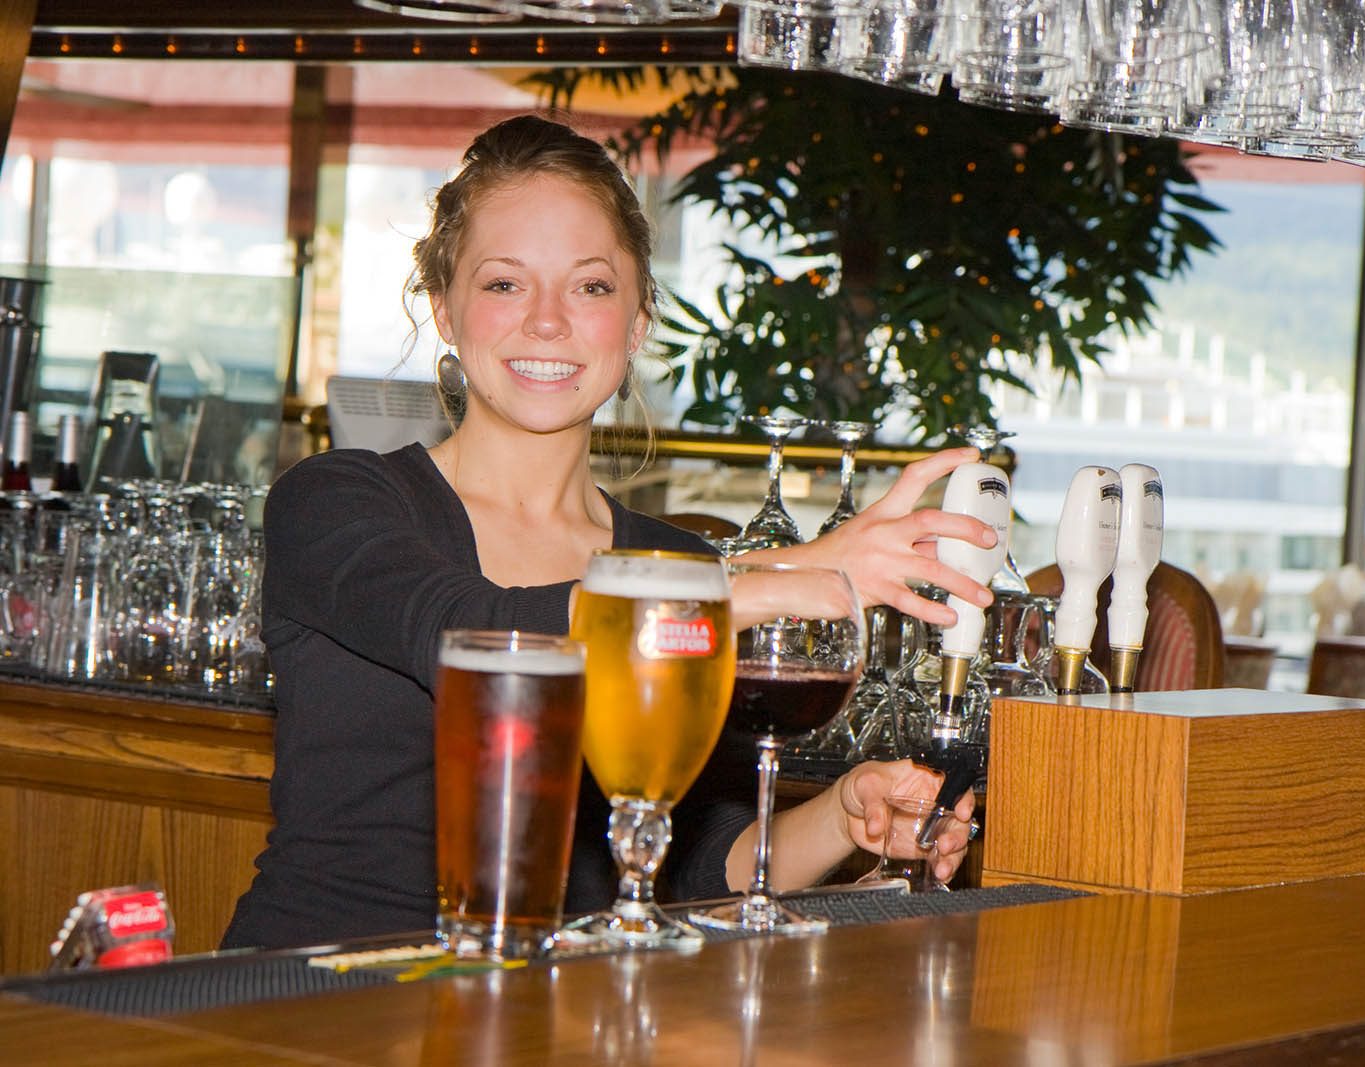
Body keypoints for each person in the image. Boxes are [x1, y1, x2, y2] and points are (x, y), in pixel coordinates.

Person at [222, 115, 988, 951]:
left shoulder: (680, 568)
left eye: (590, 287)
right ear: (443, 308)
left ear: (637, 319)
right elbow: (482, 638)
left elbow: (699, 858)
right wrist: (798, 568)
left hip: (554, 1012)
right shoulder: (336, 500)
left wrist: (843, 818)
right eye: (505, 284)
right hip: (317, 993)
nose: (548, 322)